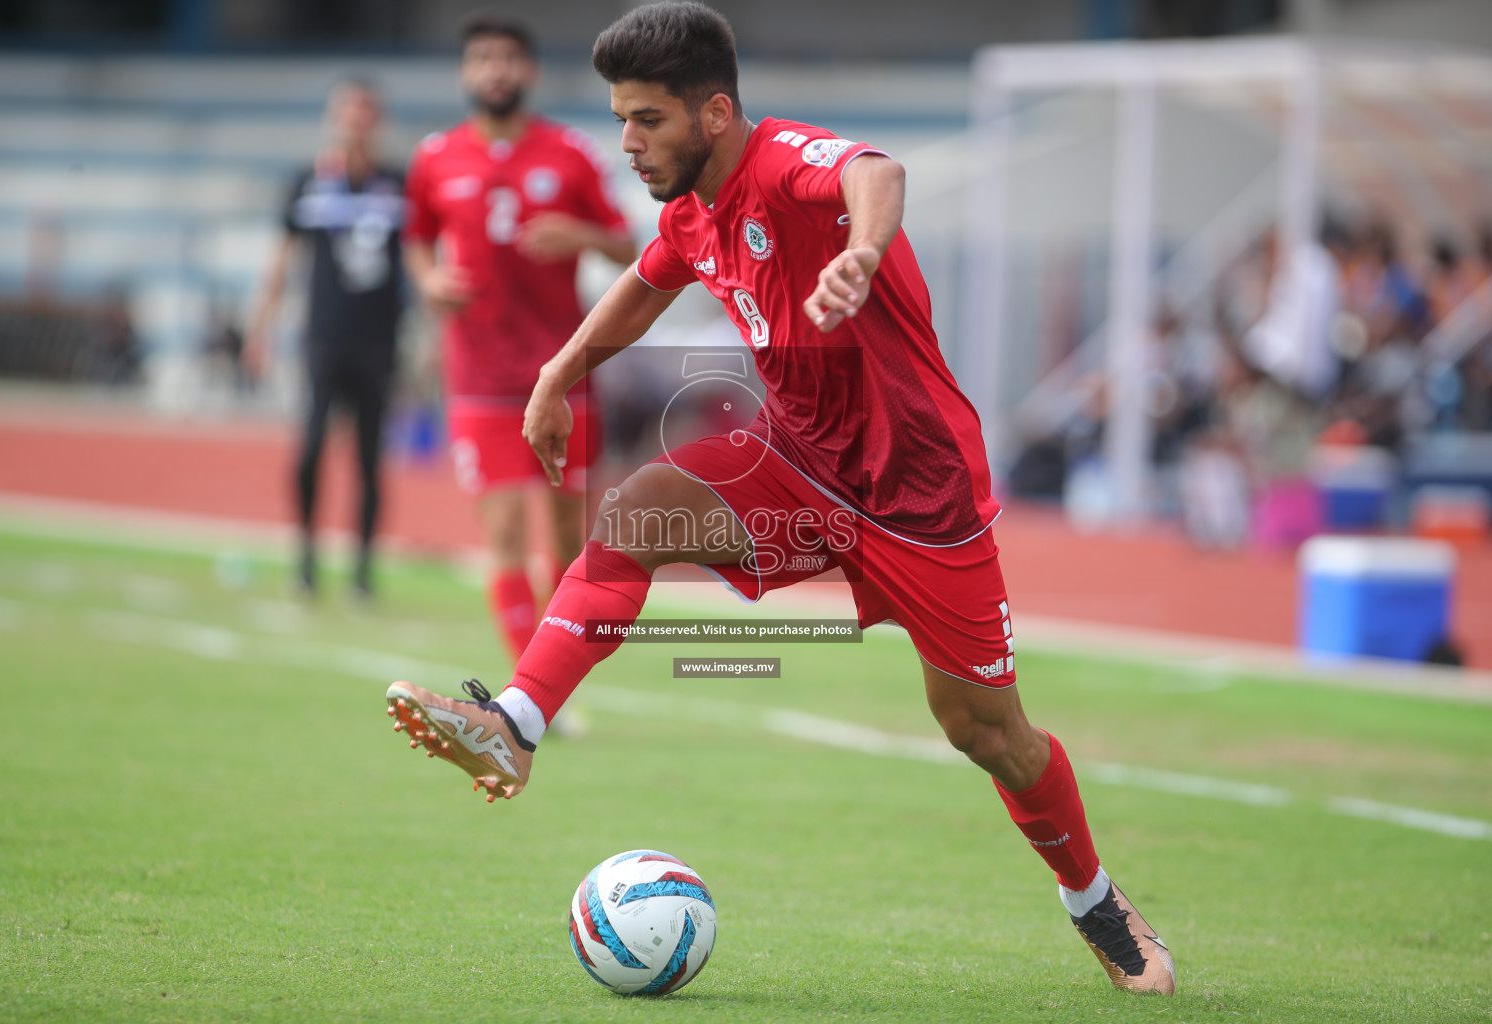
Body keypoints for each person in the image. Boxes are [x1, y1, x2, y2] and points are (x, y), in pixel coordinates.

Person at [384, 1, 1174, 997]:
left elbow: (875, 173)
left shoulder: (784, 162)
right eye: (621, 119)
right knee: (634, 514)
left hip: (918, 495)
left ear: (714, 114)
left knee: (987, 735)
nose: (628, 142)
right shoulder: (690, 209)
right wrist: (561, 368)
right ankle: (515, 721)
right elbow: (645, 278)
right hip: (797, 464)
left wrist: (865, 250)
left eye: (649, 121)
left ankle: (1091, 895)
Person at [403, 13, 636, 661]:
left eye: (509, 59)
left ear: (529, 71)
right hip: (478, 374)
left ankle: (550, 671)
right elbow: (416, 240)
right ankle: (528, 684)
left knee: (566, 538)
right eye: (483, 59)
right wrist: (427, 280)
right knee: (503, 530)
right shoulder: (433, 158)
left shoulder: (572, 154)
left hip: (563, 372)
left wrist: (580, 235)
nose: (496, 70)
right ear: (465, 73)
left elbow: (632, 250)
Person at [247, 77, 406, 598]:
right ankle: (307, 559)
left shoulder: (398, 183)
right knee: (312, 447)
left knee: (368, 456)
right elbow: (282, 259)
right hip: (323, 338)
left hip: (380, 340)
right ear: (334, 119)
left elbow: (424, 260)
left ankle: (362, 569)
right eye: (348, 112)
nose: (356, 122)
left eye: (365, 112)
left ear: (376, 120)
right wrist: (259, 328)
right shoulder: (308, 182)